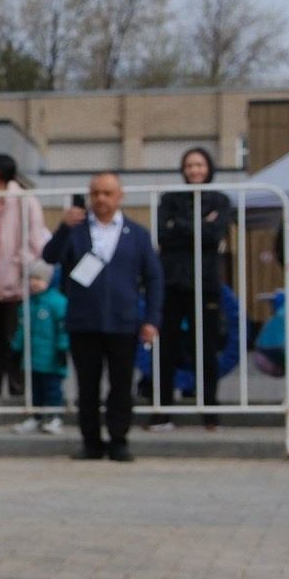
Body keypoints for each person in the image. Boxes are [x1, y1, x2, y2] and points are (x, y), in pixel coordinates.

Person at [43, 171, 164, 462]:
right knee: (87, 386)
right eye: (95, 193)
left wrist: (151, 320)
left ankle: (119, 440)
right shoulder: (76, 230)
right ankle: (91, 442)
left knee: (121, 384)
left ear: (120, 196)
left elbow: (154, 278)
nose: (100, 199)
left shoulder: (137, 234)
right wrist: (62, 228)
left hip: (123, 322)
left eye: (107, 193)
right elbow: (49, 256)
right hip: (84, 321)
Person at [154, 146, 232, 430]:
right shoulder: (170, 198)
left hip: (206, 284)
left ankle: (210, 411)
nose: (194, 170)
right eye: (189, 165)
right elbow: (163, 232)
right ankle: (161, 411)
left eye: (199, 165)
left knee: (207, 349)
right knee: (166, 349)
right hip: (172, 282)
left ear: (209, 168)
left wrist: (182, 227)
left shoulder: (220, 200)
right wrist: (199, 225)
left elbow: (214, 234)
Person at [0, 153, 46, 402]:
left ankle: (18, 393)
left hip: (16, 284)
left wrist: (17, 266)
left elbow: (35, 241)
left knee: (15, 339)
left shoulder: (24, 201)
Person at [16, 266, 69, 434]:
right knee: (34, 389)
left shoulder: (58, 302)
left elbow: (63, 328)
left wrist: (63, 348)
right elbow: (21, 329)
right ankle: (35, 416)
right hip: (32, 357)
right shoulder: (28, 304)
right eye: (32, 278)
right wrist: (16, 347)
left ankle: (56, 417)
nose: (35, 283)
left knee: (53, 389)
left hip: (51, 358)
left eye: (40, 279)